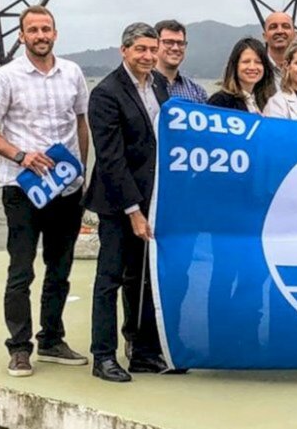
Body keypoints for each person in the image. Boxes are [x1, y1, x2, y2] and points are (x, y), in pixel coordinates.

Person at [0, 5, 90, 378]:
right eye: (33, 30)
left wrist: (81, 172)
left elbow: (81, 123)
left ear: (55, 33)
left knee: (60, 268)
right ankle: (20, 347)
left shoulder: (72, 72)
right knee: (21, 270)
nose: (40, 35)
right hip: (21, 187)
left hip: (66, 187)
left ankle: (52, 339)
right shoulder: (5, 77)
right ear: (21, 36)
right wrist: (21, 155)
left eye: (46, 29)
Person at [85, 23, 171, 382]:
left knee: (145, 280)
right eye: (141, 50)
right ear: (124, 51)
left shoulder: (161, 87)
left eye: (153, 50)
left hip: (154, 197)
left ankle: (142, 351)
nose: (148, 56)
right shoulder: (106, 94)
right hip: (118, 203)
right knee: (111, 277)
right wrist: (133, 211)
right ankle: (102, 356)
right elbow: (110, 158)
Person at [207, 37, 276, 113]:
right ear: (235, 66)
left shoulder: (267, 102)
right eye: (246, 62)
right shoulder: (220, 101)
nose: (252, 67)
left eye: (258, 62)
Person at [153, 19, 208, 103]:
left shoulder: (198, 92)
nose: (175, 48)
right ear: (155, 44)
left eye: (180, 43)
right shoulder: (142, 86)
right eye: (168, 42)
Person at [262, 11, 295, 82]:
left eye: (285, 26)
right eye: (273, 27)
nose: (279, 31)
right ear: (265, 36)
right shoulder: (256, 69)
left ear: (295, 35)